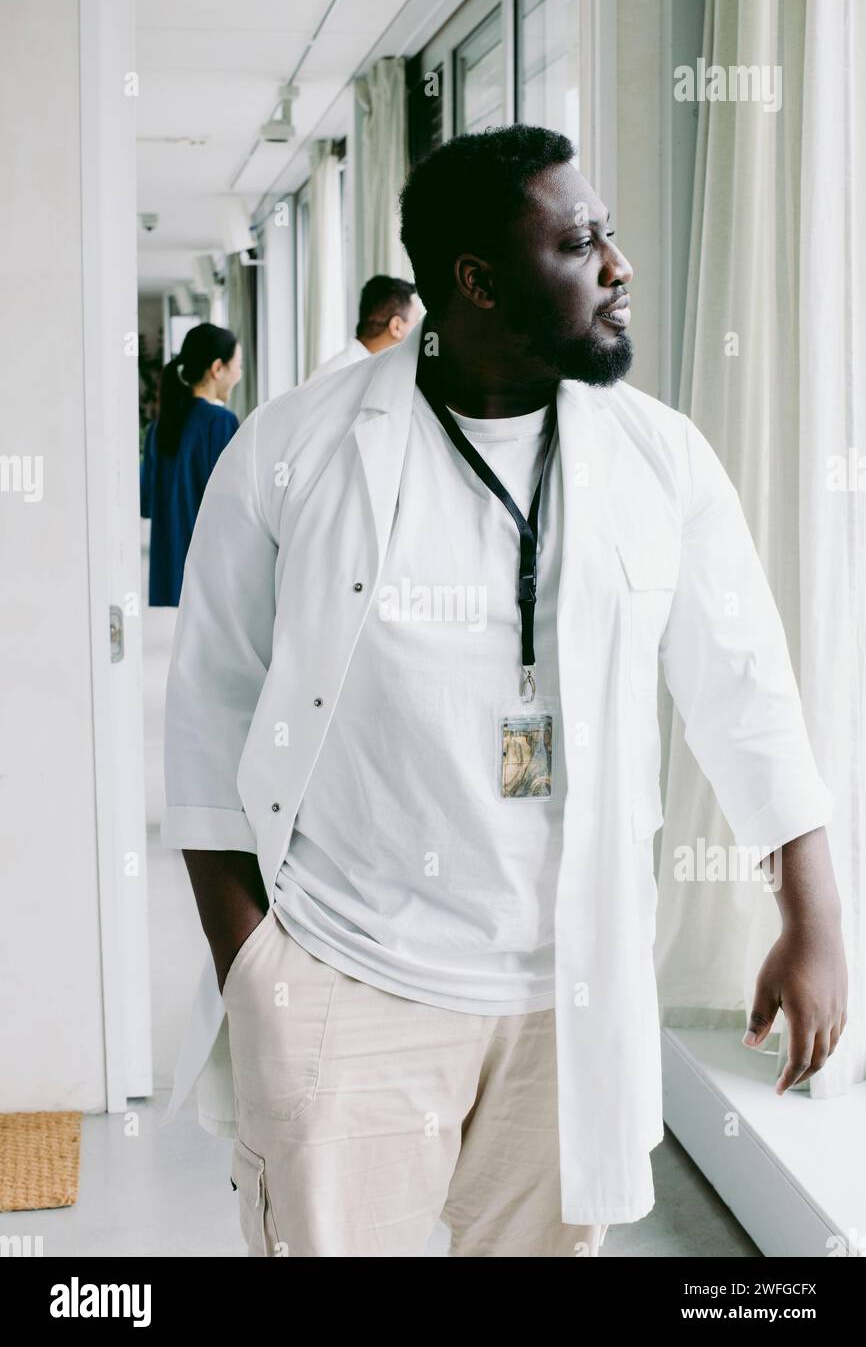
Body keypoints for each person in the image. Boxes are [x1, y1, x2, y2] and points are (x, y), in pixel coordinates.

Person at [159, 126, 845, 1258]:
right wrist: (258, 980)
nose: (616, 266)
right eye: (579, 244)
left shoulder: (659, 459)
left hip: (565, 999)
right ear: (473, 282)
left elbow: (747, 690)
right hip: (349, 977)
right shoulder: (296, 451)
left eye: (607, 235)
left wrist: (812, 916)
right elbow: (208, 714)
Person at [140, 323, 242, 606]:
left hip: (167, 580)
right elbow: (234, 506)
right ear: (217, 368)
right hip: (210, 579)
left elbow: (146, 502)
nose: (239, 375)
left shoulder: (158, 429)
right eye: (238, 366)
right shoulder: (220, 423)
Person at [307, 275, 422, 380]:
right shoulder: (333, 376)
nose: (420, 328)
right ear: (396, 326)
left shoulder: (386, 370)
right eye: (416, 320)